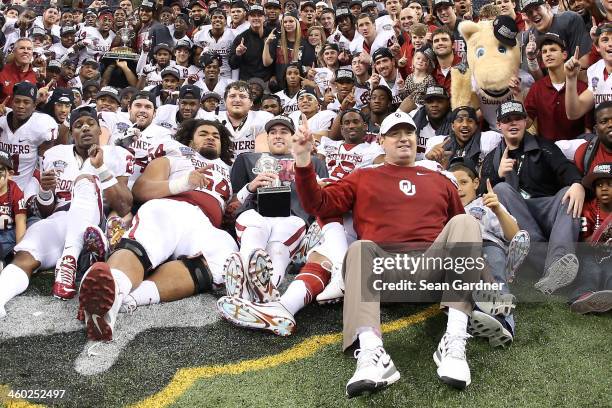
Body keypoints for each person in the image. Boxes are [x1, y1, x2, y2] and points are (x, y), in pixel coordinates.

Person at [290, 110, 483, 396]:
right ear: (381, 141)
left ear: (417, 140)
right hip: (384, 279)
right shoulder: (362, 176)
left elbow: (460, 237)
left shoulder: (441, 180)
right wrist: (304, 161)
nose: (403, 138)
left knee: (466, 222)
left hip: (433, 275)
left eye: (408, 133)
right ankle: (372, 353)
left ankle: (454, 341)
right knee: (359, 248)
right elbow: (319, 204)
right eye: (395, 133)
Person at [78, 119, 236, 340]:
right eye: (203, 133)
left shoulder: (232, 171)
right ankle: (112, 294)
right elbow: (141, 190)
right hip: (169, 208)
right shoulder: (175, 158)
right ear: (190, 139)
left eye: (216, 136)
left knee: (225, 261)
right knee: (141, 247)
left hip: (205, 225)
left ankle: (119, 301)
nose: (210, 137)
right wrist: (183, 184)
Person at [0, 107, 133, 317]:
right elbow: (46, 210)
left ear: (100, 130)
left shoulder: (118, 154)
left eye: (91, 123)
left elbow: (125, 206)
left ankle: (69, 259)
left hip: (95, 221)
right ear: (72, 133)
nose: (85, 127)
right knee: (26, 254)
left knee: (85, 181)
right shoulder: (54, 154)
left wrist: (101, 170)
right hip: (61, 216)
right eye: (78, 125)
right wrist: (45, 191)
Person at [216, 115, 328, 331]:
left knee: (278, 247)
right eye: (273, 132)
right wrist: (251, 187)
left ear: (293, 136)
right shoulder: (247, 159)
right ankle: (261, 298)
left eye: (284, 131)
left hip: (293, 217)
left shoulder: (313, 162)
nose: (278, 135)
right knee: (255, 229)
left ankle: (246, 294)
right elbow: (232, 202)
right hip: (255, 213)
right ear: (266, 138)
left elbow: (321, 200)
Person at [480, 100, 585, 294]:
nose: (512, 124)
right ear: (499, 125)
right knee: (501, 190)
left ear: (526, 122)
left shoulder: (544, 146)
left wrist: (577, 183)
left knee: (568, 194)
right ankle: (552, 270)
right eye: (507, 120)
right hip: (517, 222)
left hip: (545, 210)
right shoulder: (491, 158)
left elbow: (564, 167)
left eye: (517, 119)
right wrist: (497, 175)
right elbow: (482, 195)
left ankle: (557, 264)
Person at [450, 157, 529, 347]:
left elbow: (516, 235)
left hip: (487, 245)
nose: (458, 188)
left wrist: (498, 209)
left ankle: (504, 325)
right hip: (458, 252)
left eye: (464, 182)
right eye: (453, 183)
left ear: (476, 183)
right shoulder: (446, 209)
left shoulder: (485, 204)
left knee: (493, 272)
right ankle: (480, 315)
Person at [524, 33, 592, 141]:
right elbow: (526, 124)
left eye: (553, 50)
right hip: (548, 151)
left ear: (564, 55)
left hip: (576, 148)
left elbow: (588, 129)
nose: (548, 54)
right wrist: (517, 94)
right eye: (544, 51)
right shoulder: (537, 88)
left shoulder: (582, 88)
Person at [0, 82, 58, 203]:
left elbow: (43, 164)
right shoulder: (2, 121)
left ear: (34, 106)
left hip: (25, 187)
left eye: (26, 102)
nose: (21, 106)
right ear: (11, 102)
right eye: (17, 101)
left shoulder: (41, 125)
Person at [569, 163, 612, 313]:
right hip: (590, 254)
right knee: (591, 271)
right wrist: (599, 237)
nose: (604, 188)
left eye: (609, 184)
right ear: (594, 189)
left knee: (609, 271)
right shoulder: (589, 208)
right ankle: (583, 297)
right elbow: (582, 240)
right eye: (600, 185)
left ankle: (607, 298)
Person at [426, 106, 502, 170]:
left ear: (476, 126)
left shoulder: (488, 139)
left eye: (470, 121)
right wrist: (429, 161)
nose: (465, 124)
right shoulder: (437, 143)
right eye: (460, 120)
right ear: (452, 126)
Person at [217, 81, 273, 160]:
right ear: (225, 102)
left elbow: (263, 155)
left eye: (242, 96)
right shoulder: (213, 119)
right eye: (232, 96)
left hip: (251, 168)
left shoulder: (263, 118)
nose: (237, 100)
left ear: (251, 102)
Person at [229, 4, 273, 82]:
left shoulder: (272, 35)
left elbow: (276, 61)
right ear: (248, 18)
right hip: (247, 82)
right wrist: (238, 55)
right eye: (253, 15)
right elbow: (233, 65)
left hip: (266, 82)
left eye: (259, 15)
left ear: (264, 18)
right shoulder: (241, 38)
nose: (256, 18)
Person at [0, 150, 27, 269]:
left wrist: (19, 250)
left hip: (8, 234)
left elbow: (20, 220)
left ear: (10, 174)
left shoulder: (15, 191)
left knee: (32, 225)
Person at [193, 8, 235, 80]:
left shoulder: (233, 35)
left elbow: (235, 60)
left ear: (225, 21)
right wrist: (202, 58)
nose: (217, 19)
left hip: (226, 74)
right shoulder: (200, 35)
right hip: (207, 73)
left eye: (221, 17)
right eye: (214, 17)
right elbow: (196, 59)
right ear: (211, 20)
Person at [0, 38, 37, 102]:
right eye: (22, 48)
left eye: (29, 49)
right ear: (14, 51)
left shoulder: (36, 76)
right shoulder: (2, 71)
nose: (26, 51)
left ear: (32, 53)